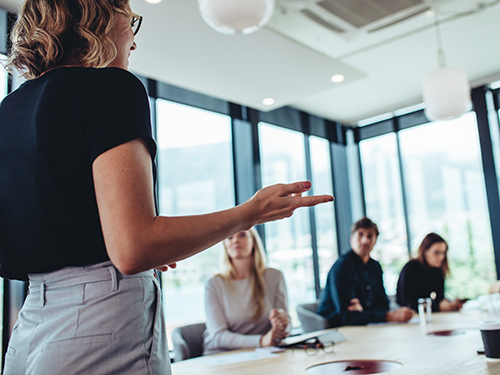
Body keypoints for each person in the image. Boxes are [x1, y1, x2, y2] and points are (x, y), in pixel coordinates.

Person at [0, 1, 334, 374]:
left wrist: (109, 245)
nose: (134, 42)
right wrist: (250, 213)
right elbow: (133, 248)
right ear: (102, 17)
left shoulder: (9, 109)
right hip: (99, 317)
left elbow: (42, 230)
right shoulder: (112, 87)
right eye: (133, 22)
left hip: (28, 327)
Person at [203, 228, 289, 354]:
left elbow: (285, 322)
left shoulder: (275, 276)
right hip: (222, 354)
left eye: (242, 235)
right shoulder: (213, 284)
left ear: (254, 242)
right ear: (225, 245)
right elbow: (218, 336)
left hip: (263, 352)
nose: (236, 240)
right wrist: (261, 341)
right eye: (229, 237)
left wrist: (283, 325)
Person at [317, 217, 413, 327]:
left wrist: (363, 311)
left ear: (375, 240)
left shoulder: (375, 267)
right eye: (360, 235)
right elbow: (346, 316)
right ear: (351, 238)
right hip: (334, 329)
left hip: (362, 326)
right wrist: (388, 316)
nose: (365, 240)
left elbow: (383, 305)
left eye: (370, 236)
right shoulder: (342, 267)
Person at [396, 232, 465, 312]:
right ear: (425, 251)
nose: (441, 257)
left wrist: (449, 304)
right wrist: (438, 307)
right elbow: (407, 303)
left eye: (443, 253)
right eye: (436, 253)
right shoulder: (410, 268)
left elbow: (439, 298)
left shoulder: (437, 270)